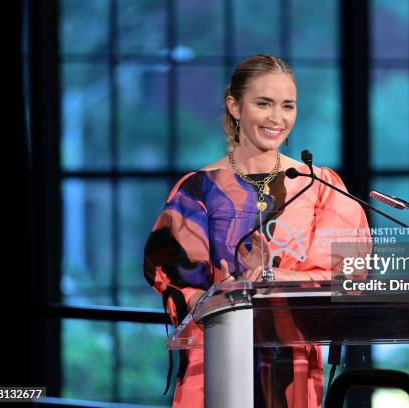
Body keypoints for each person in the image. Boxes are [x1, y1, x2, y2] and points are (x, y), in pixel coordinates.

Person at [143, 54, 369, 407]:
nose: (277, 118)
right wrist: (219, 294)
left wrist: (272, 274)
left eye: (288, 106)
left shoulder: (320, 186)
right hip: (215, 361)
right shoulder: (198, 190)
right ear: (234, 106)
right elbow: (173, 276)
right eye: (264, 104)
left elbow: (348, 274)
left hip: (292, 365)